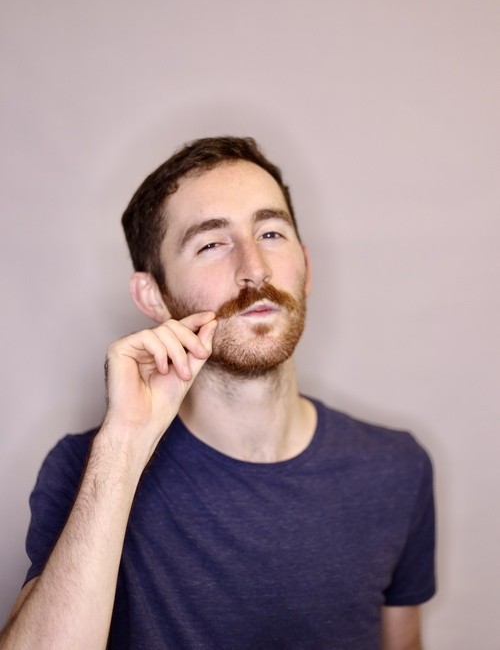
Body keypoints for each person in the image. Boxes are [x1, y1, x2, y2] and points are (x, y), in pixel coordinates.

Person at [0, 136, 435, 650]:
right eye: (211, 244)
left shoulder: (395, 468)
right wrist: (123, 448)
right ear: (154, 296)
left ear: (306, 268)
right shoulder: (86, 469)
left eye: (271, 233)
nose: (255, 268)